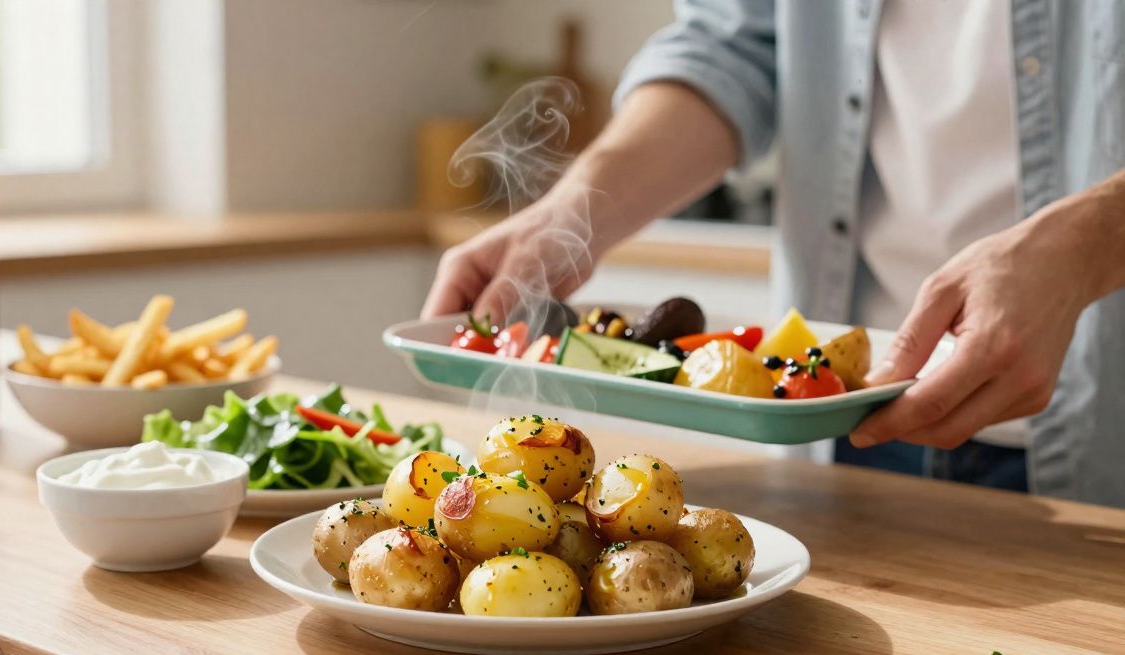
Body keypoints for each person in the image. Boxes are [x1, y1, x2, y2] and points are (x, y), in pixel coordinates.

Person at [422, 1, 1125, 507]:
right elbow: (733, 47)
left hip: (1101, 446)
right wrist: (568, 213)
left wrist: (1086, 246)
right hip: (843, 427)